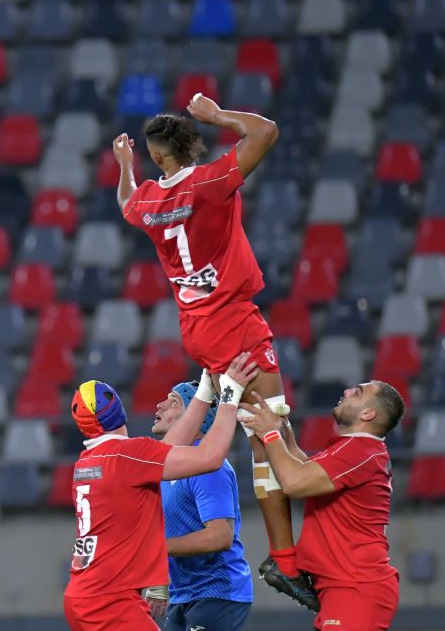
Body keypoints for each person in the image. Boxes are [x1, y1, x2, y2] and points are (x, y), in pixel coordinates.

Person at [112, 94, 312, 606]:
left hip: (197, 326)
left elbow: (125, 202)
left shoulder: (150, 200)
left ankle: (288, 557)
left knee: (273, 434)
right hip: (233, 321)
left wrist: (125, 168)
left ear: (159, 158)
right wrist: (218, 114)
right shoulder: (211, 180)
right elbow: (265, 131)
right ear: (189, 145)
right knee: (272, 436)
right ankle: (286, 560)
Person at [62, 354, 258, 631]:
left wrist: (204, 388)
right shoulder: (128, 456)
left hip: (81, 593)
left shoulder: (89, 460)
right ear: (117, 409)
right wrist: (229, 395)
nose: (160, 404)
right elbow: (210, 456)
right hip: (110, 599)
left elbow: (170, 446)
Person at [239, 382, 405, 631]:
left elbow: (294, 482)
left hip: (355, 587)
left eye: (357, 392)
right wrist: (285, 436)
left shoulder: (359, 450)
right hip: (346, 587)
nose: (347, 391)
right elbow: (303, 469)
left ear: (368, 414)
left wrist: (271, 435)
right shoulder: (357, 450)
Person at [148, 382, 253, 631]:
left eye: (174, 402)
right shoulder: (167, 467)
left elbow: (220, 536)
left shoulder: (207, 468)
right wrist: (160, 579)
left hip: (218, 591)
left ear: (198, 415)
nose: (160, 405)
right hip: (183, 593)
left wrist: (155, 548)